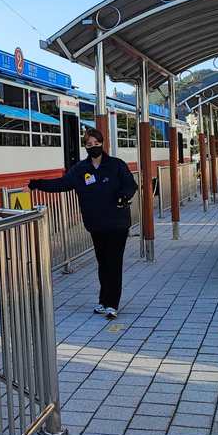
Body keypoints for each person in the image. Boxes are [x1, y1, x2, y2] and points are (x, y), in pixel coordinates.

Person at [28, 128, 136, 320]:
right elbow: (62, 184)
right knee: (103, 263)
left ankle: (112, 304)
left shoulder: (117, 165)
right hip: (95, 223)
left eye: (96, 144)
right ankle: (103, 301)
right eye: (89, 145)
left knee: (113, 263)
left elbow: (130, 184)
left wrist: (123, 195)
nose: (93, 147)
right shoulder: (80, 169)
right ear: (84, 146)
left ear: (102, 144)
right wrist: (39, 184)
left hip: (117, 222)